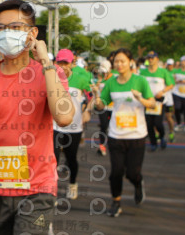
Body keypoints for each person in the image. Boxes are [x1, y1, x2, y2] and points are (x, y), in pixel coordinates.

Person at [0, 0, 74, 234]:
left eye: (16, 27)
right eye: (0, 28)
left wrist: (46, 62)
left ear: (33, 33)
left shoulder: (50, 72)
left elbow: (64, 117)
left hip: (38, 187)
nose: (7, 33)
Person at [94, 48, 155, 217]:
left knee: (132, 173)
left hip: (137, 135)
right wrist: (96, 97)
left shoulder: (140, 81)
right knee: (116, 172)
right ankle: (116, 201)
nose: (119, 64)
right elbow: (101, 105)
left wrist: (140, 99)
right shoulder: (111, 83)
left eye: (122, 61)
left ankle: (138, 183)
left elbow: (152, 103)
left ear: (130, 62)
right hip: (116, 135)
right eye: (116, 62)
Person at [53, 49, 91, 200]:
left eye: (66, 63)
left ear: (72, 64)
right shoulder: (51, 78)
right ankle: (52, 192)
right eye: (60, 62)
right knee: (53, 160)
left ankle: (72, 184)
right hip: (55, 126)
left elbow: (91, 96)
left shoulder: (80, 80)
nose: (62, 66)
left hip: (74, 127)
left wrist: (87, 110)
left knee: (71, 158)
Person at [140, 51, 174, 151]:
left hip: (159, 101)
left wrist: (162, 91)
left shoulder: (163, 72)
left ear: (157, 59)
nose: (150, 60)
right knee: (149, 124)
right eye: (149, 58)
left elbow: (171, 85)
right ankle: (153, 143)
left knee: (158, 123)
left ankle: (162, 137)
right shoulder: (143, 72)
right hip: (147, 101)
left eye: (152, 58)